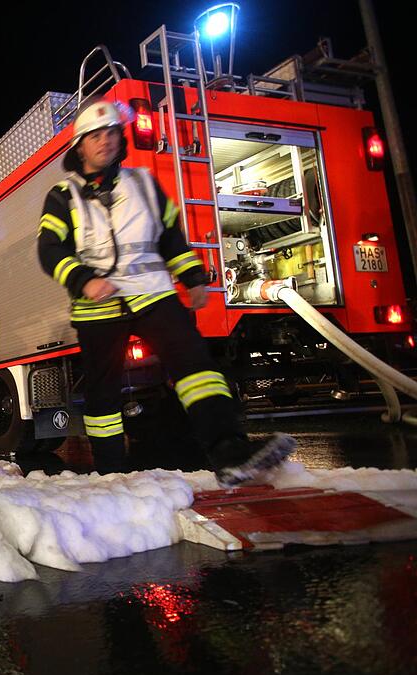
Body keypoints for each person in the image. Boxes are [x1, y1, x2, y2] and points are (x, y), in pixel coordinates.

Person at [36, 97, 294, 486]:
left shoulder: (143, 183)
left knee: (197, 368)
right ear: (80, 147)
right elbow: (50, 249)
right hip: (97, 307)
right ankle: (111, 475)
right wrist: (83, 279)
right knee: (103, 395)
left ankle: (230, 452)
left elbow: (170, 235)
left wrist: (192, 277)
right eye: (96, 135)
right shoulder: (63, 195)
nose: (106, 140)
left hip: (154, 295)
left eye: (112, 133)